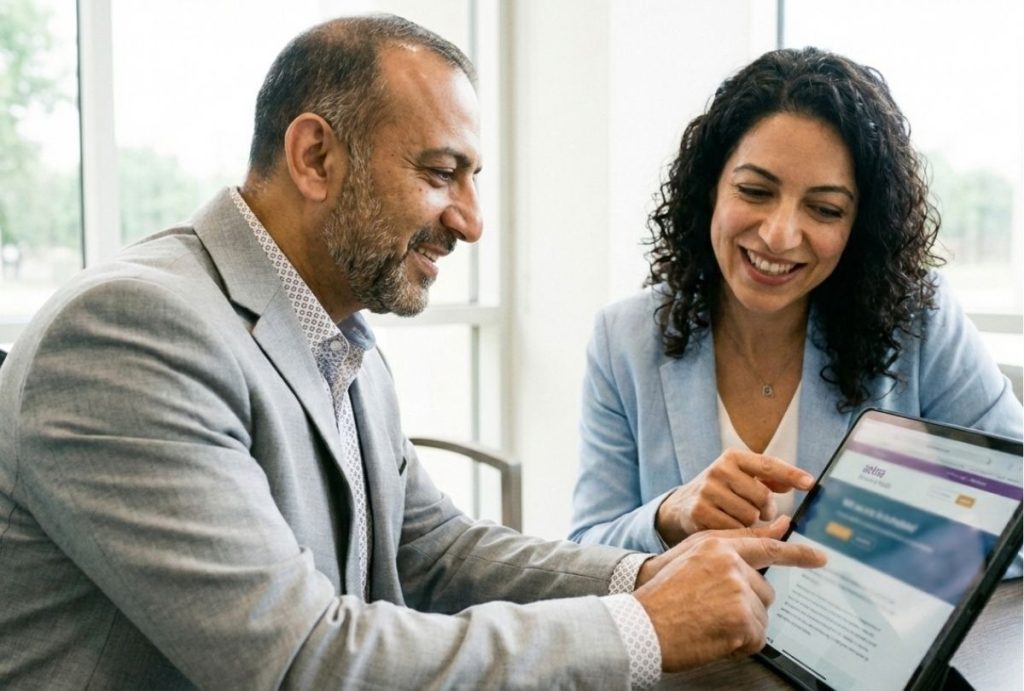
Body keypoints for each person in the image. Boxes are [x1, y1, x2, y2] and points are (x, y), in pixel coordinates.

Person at [0, 16, 826, 690]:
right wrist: (643, 627)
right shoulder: (131, 330)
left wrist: (644, 579)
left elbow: (435, 551)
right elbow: (300, 662)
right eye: (441, 173)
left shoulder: (334, 331)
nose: (470, 220)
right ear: (316, 157)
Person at [569, 47, 1022, 560]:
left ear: (860, 226)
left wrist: (891, 554)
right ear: (710, 188)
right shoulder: (624, 337)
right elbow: (585, 551)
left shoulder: (919, 321)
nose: (780, 236)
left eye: (825, 209)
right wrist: (668, 516)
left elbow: (1017, 514)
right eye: (755, 190)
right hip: (694, 639)